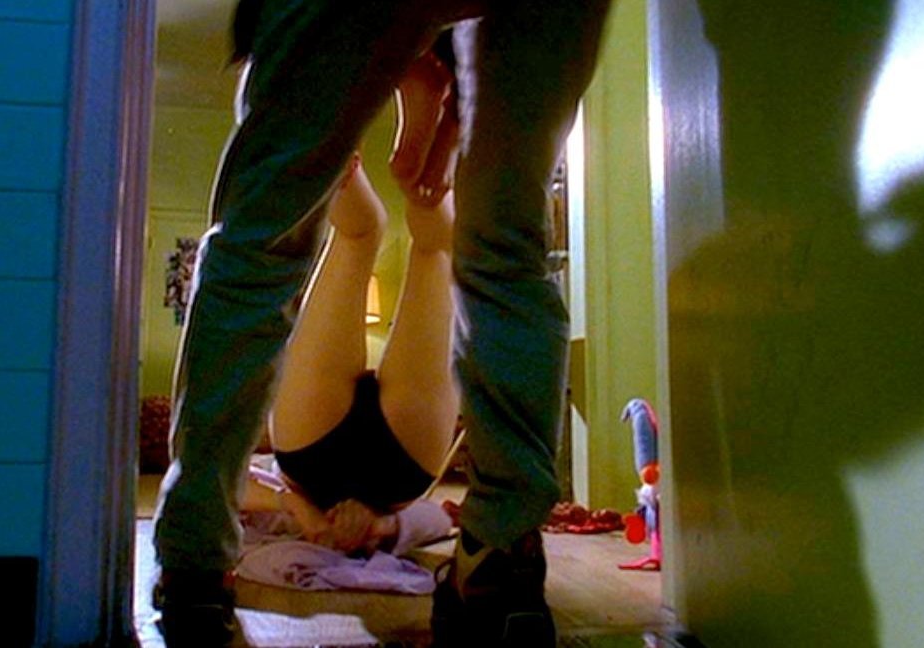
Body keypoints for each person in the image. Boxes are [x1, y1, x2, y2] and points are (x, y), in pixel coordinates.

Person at [152, 1, 611, 646]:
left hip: (333, 459)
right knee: (502, 251)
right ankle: (500, 562)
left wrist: (420, 100)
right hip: (388, 465)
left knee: (261, 244)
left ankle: (195, 564)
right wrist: (428, 112)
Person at [239, 50, 461, 555]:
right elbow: (443, 515)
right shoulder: (389, 520)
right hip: (372, 468)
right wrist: (381, 528)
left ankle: (363, 155)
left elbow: (222, 481)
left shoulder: (277, 494)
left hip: (324, 464)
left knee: (418, 249)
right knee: (393, 242)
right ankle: (398, 158)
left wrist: (301, 511)